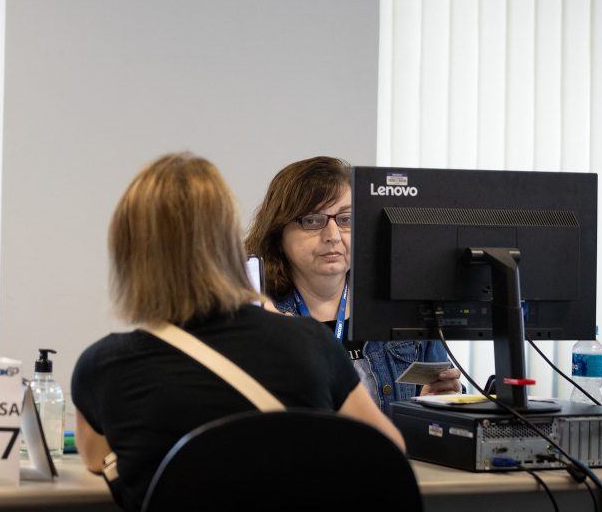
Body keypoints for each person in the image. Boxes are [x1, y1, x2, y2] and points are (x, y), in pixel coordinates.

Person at [71, 152, 405, 511]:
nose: (332, 234)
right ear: (229, 244)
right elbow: (388, 451)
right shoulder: (311, 342)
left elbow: (97, 461)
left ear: (127, 254)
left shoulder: (102, 367)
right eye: (312, 220)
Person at [245, 156, 462, 415]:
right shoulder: (257, 314)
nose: (333, 236)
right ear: (278, 233)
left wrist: (433, 405)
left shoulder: (404, 307)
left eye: (346, 219)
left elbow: (437, 416)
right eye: (312, 220)